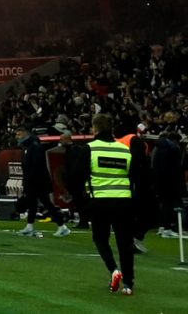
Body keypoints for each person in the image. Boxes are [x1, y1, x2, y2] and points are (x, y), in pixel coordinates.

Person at [81, 113, 140, 295]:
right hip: (123, 200)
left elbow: (80, 174)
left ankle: (114, 270)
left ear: (95, 129)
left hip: (100, 199)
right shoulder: (124, 149)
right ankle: (129, 284)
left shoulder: (90, 148)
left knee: (100, 238)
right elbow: (134, 174)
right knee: (125, 242)